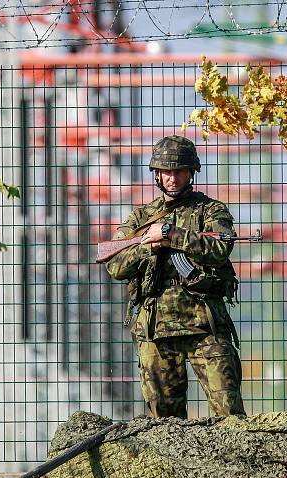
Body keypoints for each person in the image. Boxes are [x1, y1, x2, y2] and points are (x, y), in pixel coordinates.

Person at [105, 135, 246, 419]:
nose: (172, 178)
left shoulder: (210, 210)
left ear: (191, 172)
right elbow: (115, 266)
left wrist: (172, 236)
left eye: (179, 170)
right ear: (156, 174)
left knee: (229, 415)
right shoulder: (141, 218)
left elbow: (220, 246)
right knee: (164, 423)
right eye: (166, 172)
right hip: (156, 329)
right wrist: (149, 248)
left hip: (205, 325)